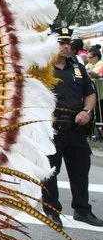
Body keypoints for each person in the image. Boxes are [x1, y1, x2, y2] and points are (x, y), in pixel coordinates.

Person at [42, 27, 103, 227]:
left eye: (68, 43)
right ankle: (52, 212)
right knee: (51, 171)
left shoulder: (77, 68)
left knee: (80, 170)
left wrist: (86, 111)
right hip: (53, 127)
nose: (66, 47)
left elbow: (90, 93)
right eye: (61, 43)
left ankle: (82, 210)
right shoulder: (42, 69)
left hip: (76, 128)